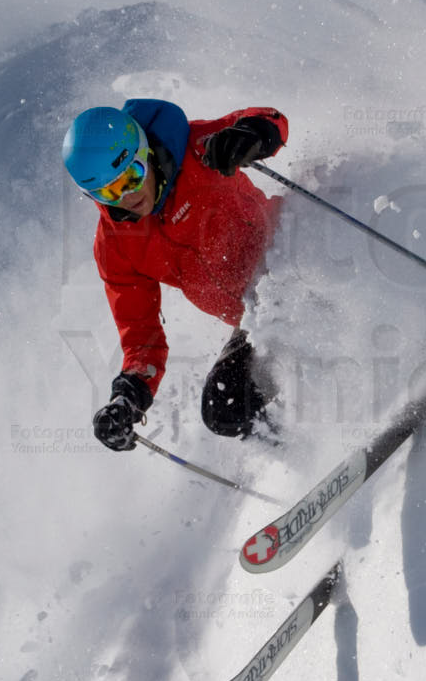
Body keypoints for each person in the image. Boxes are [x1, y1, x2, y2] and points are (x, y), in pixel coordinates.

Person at [61, 98, 288, 447]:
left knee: (306, 316)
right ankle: (303, 448)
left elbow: (271, 120)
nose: (128, 196)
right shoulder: (116, 245)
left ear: (146, 152)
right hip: (256, 317)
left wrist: (251, 134)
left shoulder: (197, 148)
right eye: (109, 192)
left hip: (291, 261)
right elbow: (141, 337)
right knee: (224, 409)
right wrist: (128, 396)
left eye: (133, 176)